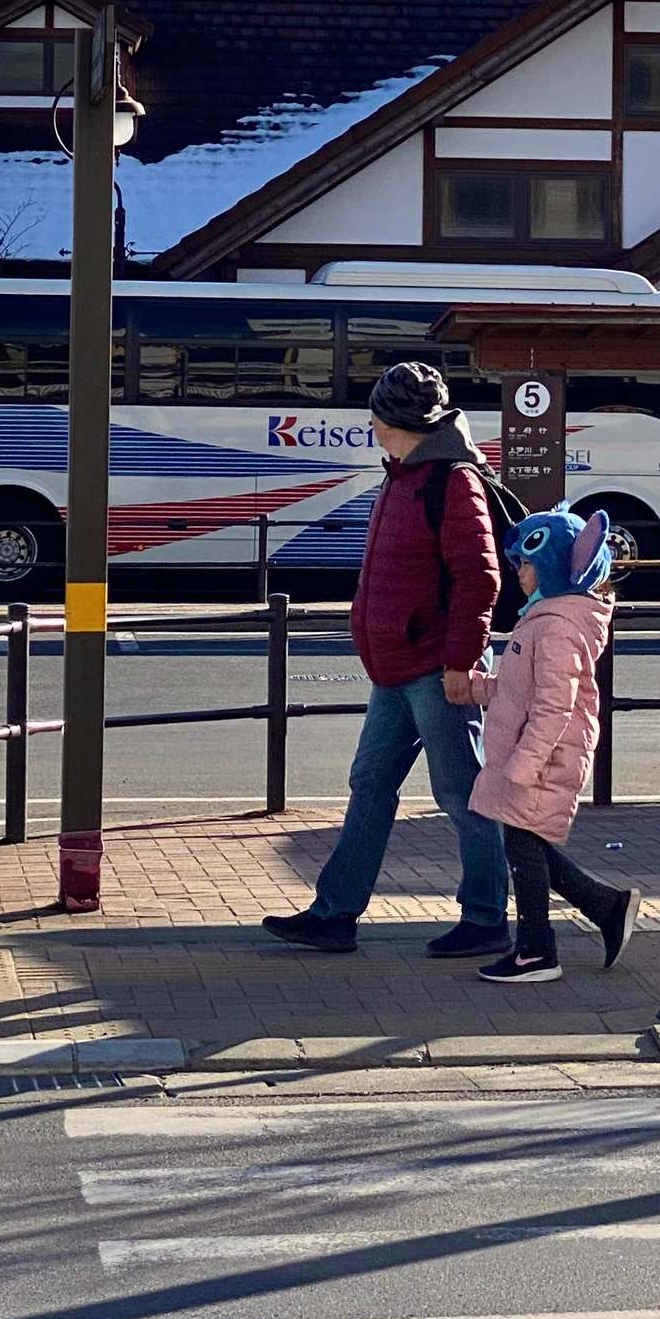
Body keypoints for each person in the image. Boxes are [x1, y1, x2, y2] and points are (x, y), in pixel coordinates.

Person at [261, 361, 510, 956]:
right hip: (398, 668)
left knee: (461, 793)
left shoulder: (452, 481)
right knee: (370, 783)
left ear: (390, 418)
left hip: (435, 668)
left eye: (374, 410)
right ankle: (335, 914)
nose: (369, 420)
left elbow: (479, 579)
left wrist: (461, 662)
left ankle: (486, 918)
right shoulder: (404, 476)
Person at [466, 505, 639, 985]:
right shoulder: (543, 618)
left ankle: (538, 951)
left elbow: (553, 707)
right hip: (537, 754)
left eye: (525, 562)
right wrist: (480, 688)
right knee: (525, 843)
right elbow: (521, 688)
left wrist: (524, 765)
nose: (517, 571)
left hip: (545, 757)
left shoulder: (558, 626)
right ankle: (606, 909)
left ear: (554, 567)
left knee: (523, 844)